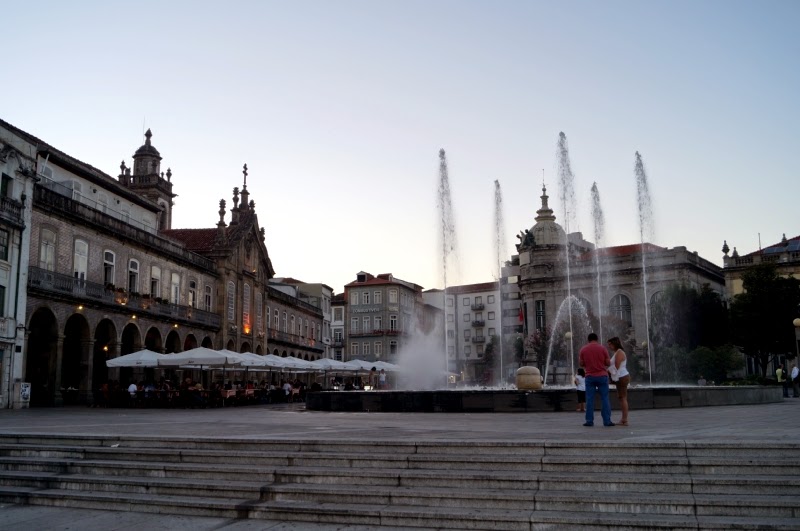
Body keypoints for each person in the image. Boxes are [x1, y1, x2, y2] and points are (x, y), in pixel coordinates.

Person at [578, 332, 614, 427]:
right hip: (602, 376)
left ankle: (589, 421)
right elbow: (608, 363)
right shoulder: (602, 348)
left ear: (588, 340)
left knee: (589, 399)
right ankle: (607, 421)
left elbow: (581, 364)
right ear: (597, 339)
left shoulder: (583, 349)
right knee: (605, 398)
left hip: (590, 377)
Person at [607, 337, 630, 426]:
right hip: (620, 377)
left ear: (615, 343)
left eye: (610, 344)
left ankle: (624, 420)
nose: (609, 346)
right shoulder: (617, 353)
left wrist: (607, 371)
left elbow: (616, 366)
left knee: (623, 398)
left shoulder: (620, 352)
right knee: (621, 398)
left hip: (622, 376)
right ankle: (623, 419)